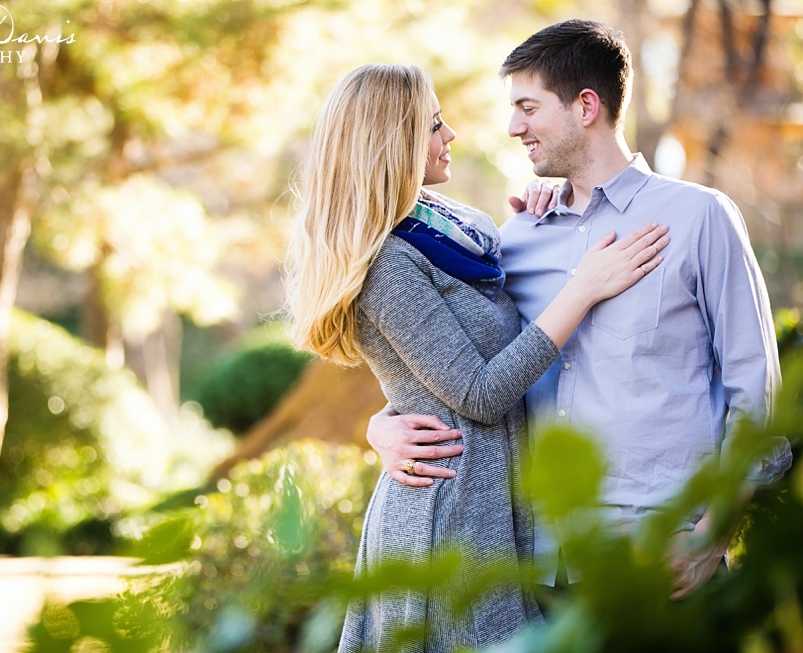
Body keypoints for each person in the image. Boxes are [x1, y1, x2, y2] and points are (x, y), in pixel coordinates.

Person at [365, 19, 792, 603]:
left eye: (528, 108)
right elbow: (465, 362)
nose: (513, 127)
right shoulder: (517, 238)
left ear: (586, 106)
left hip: (661, 556)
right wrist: (384, 425)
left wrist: (712, 537)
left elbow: (755, 393)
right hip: (539, 568)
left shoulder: (700, 219)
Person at [284, 63, 669, 651]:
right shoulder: (387, 264)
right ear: (393, 142)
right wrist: (584, 288)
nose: (451, 135)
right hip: (449, 515)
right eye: (433, 125)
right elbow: (480, 393)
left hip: (497, 510)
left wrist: (547, 202)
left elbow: (456, 355)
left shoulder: (449, 230)